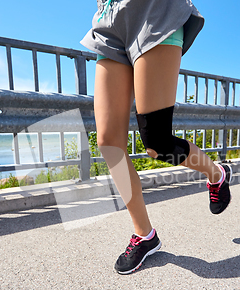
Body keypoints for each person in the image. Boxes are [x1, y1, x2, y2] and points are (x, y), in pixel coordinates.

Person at [81, 0, 232, 275]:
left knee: (158, 143)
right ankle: (144, 234)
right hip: (110, 20)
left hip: (154, 12)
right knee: (108, 143)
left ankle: (216, 173)